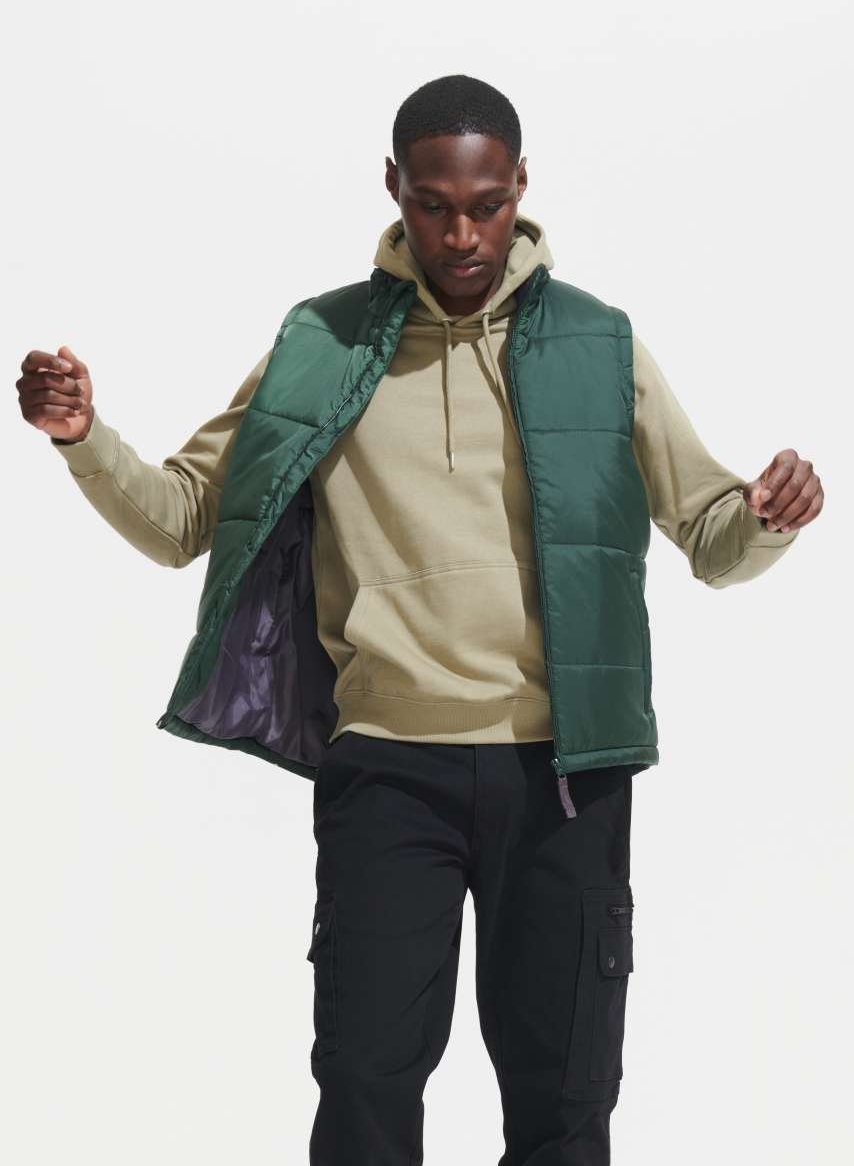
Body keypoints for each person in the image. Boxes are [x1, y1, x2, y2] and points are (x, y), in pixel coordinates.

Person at [17, 75, 823, 1164]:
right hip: (388, 770)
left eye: (486, 205)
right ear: (393, 186)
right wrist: (84, 439)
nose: (461, 234)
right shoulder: (322, 342)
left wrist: (765, 517)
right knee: (362, 1086)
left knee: (565, 1100)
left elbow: (711, 533)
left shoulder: (599, 345)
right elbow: (185, 518)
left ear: (522, 186)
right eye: (434, 205)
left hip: (565, 770)